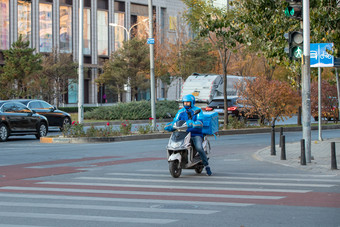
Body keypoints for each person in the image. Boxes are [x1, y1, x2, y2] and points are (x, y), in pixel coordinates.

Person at [165, 94, 212, 176]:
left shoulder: (198, 111)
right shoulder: (181, 111)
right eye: (185, 103)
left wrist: (194, 123)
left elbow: (200, 122)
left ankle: (206, 165)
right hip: (183, 133)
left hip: (195, 134)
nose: (186, 104)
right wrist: (169, 126)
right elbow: (175, 120)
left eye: (188, 103)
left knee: (199, 148)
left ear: (192, 102)